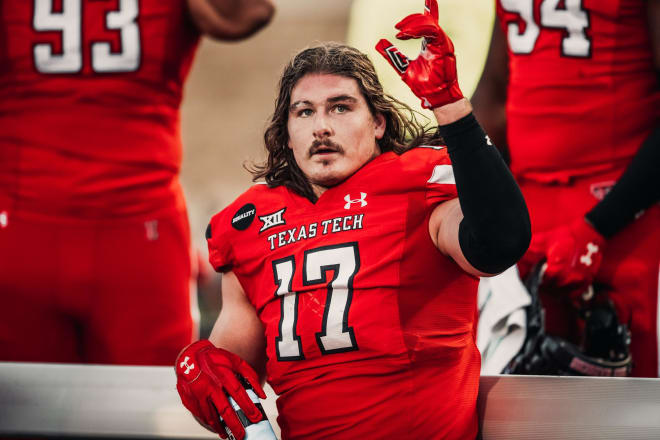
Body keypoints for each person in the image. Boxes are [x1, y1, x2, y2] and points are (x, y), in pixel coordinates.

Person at [174, 1, 531, 438]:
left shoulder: (419, 185)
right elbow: (233, 384)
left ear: (378, 123)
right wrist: (201, 374)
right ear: (287, 133)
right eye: (304, 112)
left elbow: (500, 242)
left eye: (340, 107)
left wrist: (450, 106)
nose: (321, 126)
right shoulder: (250, 224)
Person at [0, 0, 275, 365]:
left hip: (63, 232)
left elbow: (247, 13)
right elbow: (246, 13)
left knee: (131, 403)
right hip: (132, 236)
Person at [471, 0, 660, 377]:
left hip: (625, 207)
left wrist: (599, 226)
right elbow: (494, 92)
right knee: (513, 394)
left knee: (631, 398)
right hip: (526, 205)